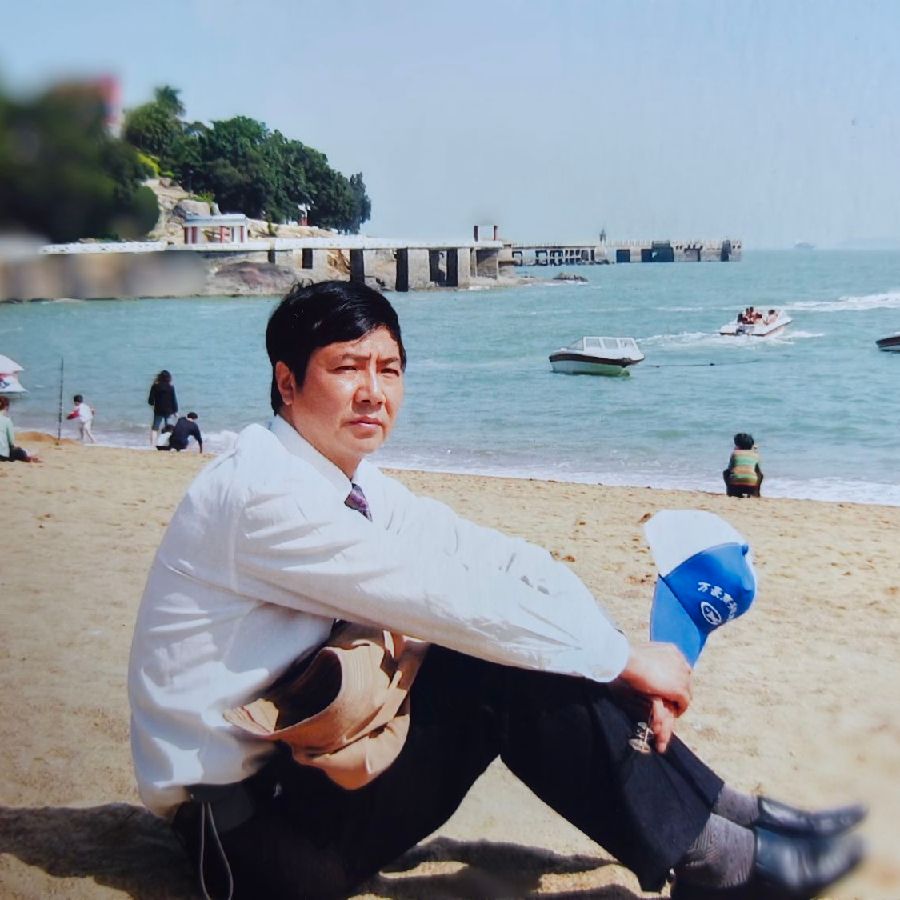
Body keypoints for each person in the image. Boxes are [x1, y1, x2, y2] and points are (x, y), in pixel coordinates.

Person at [129, 282, 863, 900]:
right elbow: (449, 601)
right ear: (288, 383)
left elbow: (491, 558)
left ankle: (732, 816)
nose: (373, 392)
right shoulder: (261, 492)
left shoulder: (349, 480)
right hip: (248, 839)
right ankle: (724, 862)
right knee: (503, 656)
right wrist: (618, 661)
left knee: (535, 638)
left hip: (311, 773)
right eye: (347, 368)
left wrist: (613, 654)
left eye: (390, 369)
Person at [723, 433, 764, 498]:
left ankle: (729, 492)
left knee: (725, 472)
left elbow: (730, 469)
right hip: (751, 487)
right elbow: (758, 472)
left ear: (737, 445)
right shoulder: (755, 454)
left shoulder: (734, 453)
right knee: (760, 474)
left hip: (735, 487)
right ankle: (756, 493)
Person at [0, 396, 40, 462]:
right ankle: (27, 457)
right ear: (6, 407)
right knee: (19, 451)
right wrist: (13, 446)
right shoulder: (7, 421)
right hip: (3, 455)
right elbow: (11, 440)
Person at [148, 370, 178, 447]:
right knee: (169, 428)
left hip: (158, 410)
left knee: (155, 428)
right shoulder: (171, 387)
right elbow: (174, 400)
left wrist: (152, 406)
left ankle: (152, 445)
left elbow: (150, 400)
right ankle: (167, 444)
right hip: (169, 410)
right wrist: (175, 411)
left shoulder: (155, 386)